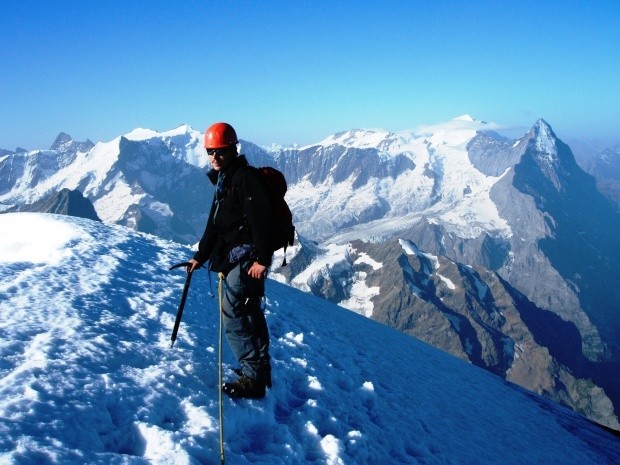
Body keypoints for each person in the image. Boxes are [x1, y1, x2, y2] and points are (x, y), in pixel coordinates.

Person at [188, 122, 273, 399]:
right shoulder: (225, 178)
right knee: (249, 311)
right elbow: (215, 225)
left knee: (234, 310)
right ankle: (259, 370)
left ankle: (253, 377)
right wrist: (200, 256)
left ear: (232, 149)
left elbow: (262, 219)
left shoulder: (243, 178)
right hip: (236, 255)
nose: (214, 157)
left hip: (248, 257)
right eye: (210, 152)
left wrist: (262, 258)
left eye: (220, 152)